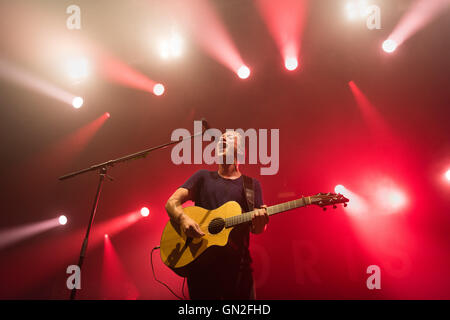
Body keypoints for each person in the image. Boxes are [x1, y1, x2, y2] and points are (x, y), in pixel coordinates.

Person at [165, 131, 269, 299]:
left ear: (240, 149)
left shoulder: (251, 185)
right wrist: (183, 219)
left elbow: (257, 229)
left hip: (239, 272)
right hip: (202, 270)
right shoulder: (203, 177)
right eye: (220, 139)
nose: (221, 140)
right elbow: (171, 202)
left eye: (228, 138)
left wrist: (261, 221)